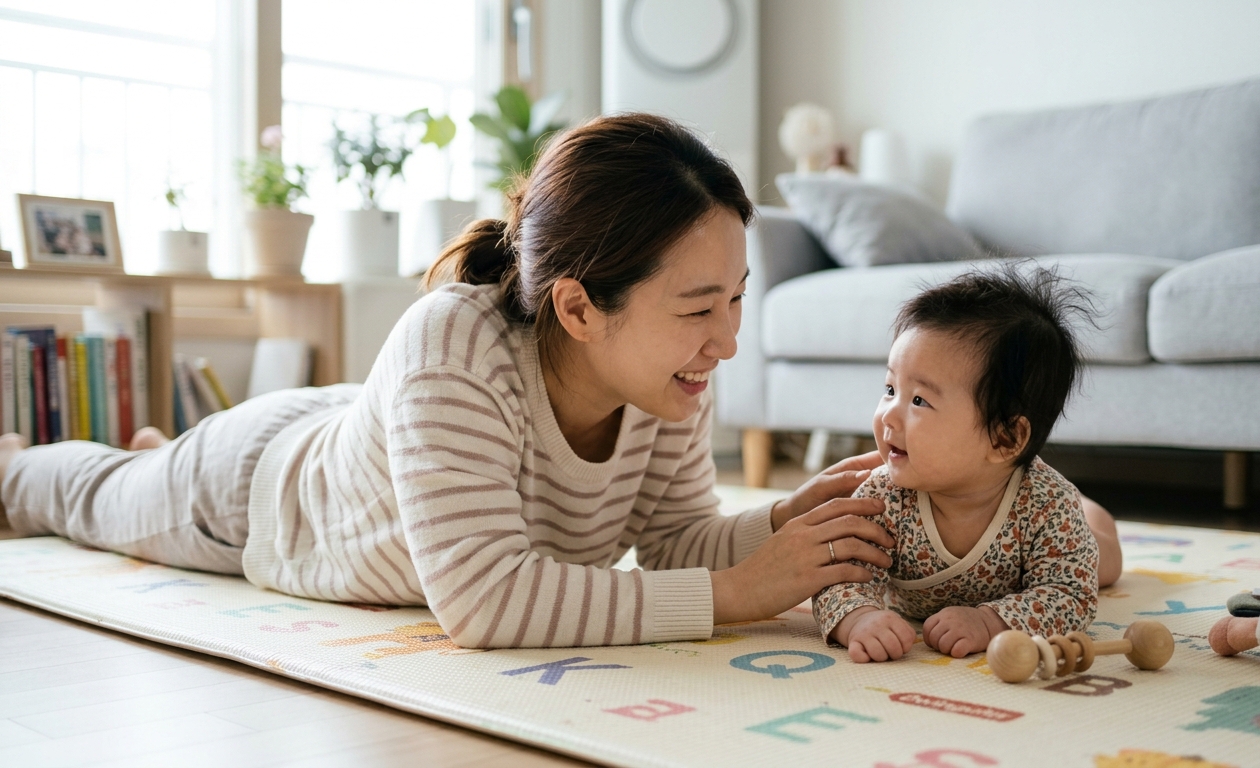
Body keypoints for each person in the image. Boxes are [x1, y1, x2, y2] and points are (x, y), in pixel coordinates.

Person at [0, 113, 898, 649]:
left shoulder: (667, 375)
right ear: (579, 308)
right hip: (258, 492)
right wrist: (738, 594)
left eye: (736, 300)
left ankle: (153, 451)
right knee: (90, 495)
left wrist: (781, 523)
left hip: (382, 435)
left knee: (140, 469)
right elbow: (484, 601)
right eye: (700, 308)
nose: (728, 341)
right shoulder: (453, 341)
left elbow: (672, 541)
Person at [813, 267, 1117, 664]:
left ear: (1004, 439)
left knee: (1104, 564)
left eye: (919, 400)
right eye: (890, 389)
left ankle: (1091, 514)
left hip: (1060, 528)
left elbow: (1070, 595)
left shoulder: (1047, 505)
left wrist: (990, 622)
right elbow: (837, 577)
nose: (887, 415)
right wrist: (859, 619)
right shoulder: (881, 496)